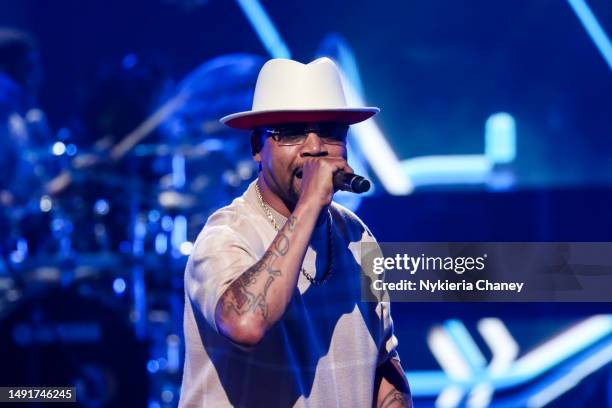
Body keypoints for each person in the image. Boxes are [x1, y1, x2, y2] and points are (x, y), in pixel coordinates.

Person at [179, 57, 412, 407]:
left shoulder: (356, 236)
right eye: (291, 132)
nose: (315, 147)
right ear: (257, 147)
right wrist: (309, 205)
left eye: (330, 131)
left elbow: (382, 363)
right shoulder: (227, 234)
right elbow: (245, 324)